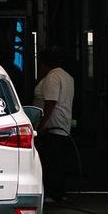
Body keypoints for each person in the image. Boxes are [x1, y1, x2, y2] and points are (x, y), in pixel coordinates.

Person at [33, 48, 77, 199]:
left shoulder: (52, 77)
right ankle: (59, 191)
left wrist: (41, 125)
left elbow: (50, 102)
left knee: (51, 161)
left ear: (44, 64)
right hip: (63, 125)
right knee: (59, 160)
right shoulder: (67, 77)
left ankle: (53, 192)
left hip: (52, 126)